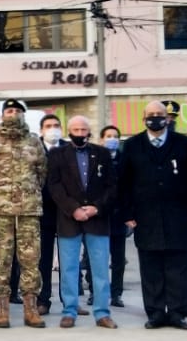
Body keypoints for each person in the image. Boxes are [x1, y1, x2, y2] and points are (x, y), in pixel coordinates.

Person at [119, 100, 187, 330]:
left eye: (159, 114)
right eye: (151, 114)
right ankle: (156, 312)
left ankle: (177, 312)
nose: (155, 118)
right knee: (151, 267)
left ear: (167, 118)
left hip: (180, 216)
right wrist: (127, 214)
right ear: (143, 118)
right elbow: (123, 183)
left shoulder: (185, 144)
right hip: (145, 217)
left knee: (178, 267)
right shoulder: (132, 145)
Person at [0, 99, 48, 328]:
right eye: (9, 111)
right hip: (1, 211)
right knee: (1, 260)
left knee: (30, 260)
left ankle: (30, 309)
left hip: (29, 210)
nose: (14, 114)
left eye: (18, 111)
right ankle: (2, 309)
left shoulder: (34, 142)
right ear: (2, 116)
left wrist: (28, 192)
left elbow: (42, 173)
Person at [46, 116, 118, 329]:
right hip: (70, 219)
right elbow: (54, 186)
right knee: (68, 269)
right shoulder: (57, 154)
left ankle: (102, 313)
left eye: (83, 129)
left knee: (100, 269)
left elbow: (112, 185)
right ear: (69, 131)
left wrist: (97, 207)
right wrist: (73, 208)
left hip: (97, 219)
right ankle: (69, 311)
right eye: (75, 129)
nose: (79, 132)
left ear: (89, 131)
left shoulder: (102, 153)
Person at [36, 113, 70, 317]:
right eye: (48, 125)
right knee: (44, 260)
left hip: (66, 211)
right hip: (43, 211)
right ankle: (43, 300)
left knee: (68, 259)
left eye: (56, 125)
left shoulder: (68, 148)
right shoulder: (34, 149)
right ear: (41, 130)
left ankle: (70, 300)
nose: (53, 129)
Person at [93, 125, 128, 309]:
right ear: (101, 139)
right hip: (99, 215)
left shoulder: (124, 160)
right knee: (96, 257)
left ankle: (116, 294)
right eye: (108, 136)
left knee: (118, 259)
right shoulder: (95, 158)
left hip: (119, 217)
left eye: (115, 136)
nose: (112, 139)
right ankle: (95, 292)